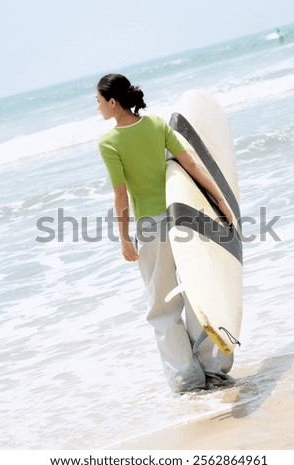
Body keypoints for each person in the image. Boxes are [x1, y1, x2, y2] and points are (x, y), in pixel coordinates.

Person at [96, 73, 234, 393]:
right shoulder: (158, 125)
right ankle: (213, 367)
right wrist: (220, 201)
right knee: (197, 292)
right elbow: (191, 166)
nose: (98, 108)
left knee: (162, 307)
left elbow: (120, 195)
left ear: (113, 103)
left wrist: (124, 237)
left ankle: (187, 379)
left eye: (99, 102)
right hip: (184, 218)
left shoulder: (109, 142)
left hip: (152, 227)